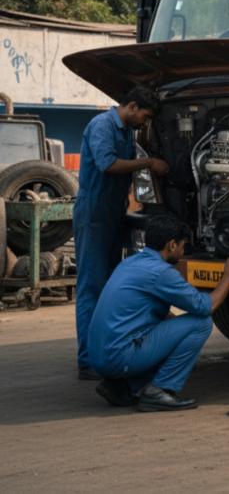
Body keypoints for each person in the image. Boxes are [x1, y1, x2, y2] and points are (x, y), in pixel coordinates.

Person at [89, 215, 229, 411]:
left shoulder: (129, 263)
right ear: (172, 245)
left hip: (98, 357)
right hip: (118, 357)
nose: (183, 251)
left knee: (173, 326)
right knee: (201, 323)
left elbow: (144, 309)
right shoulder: (162, 272)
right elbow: (206, 306)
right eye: (183, 245)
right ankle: (158, 392)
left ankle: (119, 385)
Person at [74, 86, 170, 381]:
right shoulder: (102, 125)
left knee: (110, 287)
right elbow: (108, 164)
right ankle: (87, 360)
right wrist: (148, 162)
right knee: (91, 287)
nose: (145, 122)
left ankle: (105, 351)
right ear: (132, 106)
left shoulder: (127, 131)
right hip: (94, 213)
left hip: (114, 213)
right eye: (145, 116)